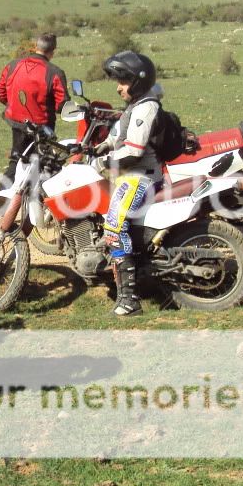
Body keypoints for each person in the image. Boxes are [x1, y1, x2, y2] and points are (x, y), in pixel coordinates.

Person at [89, 51, 166, 318]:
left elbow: (133, 151)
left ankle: (129, 299)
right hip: (131, 176)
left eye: (123, 81)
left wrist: (104, 162)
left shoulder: (146, 107)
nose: (118, 87)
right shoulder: (135, 105)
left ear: (138, 81)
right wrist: (97, 147)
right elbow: (119, 137)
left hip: (140, 177)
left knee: (113, 227)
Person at [0, 32, 68, 187]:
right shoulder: (54, 73)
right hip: (43, 127)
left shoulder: (13, 65)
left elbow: (1, 92)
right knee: (45, 163)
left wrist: (14, 105)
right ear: (53, 51)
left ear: (36, 46)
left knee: (18, 160)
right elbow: (62, 105)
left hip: (17, 123)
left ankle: (3, 196)